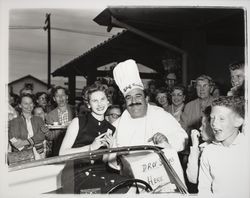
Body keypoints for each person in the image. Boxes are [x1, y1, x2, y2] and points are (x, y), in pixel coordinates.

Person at [108, 60, 188, 163]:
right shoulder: (118, 124)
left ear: (146, 99)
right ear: (125, 102)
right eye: (129, 98)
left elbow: (183, 139)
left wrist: (167, 141)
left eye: (138, 96)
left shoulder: (160, 115)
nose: (133, 101)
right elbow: (109, 157)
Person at [198, 96, 248, 197]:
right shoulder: (209, 151)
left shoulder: (246, 148)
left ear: (238, 121)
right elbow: (204, 190)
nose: (214, 124)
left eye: (221, 119)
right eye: (212, 118)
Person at [59, 83, 115, 156]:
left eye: (102, 99)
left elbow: (105, 160)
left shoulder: (111, 128)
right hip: (78, 167)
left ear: (108, 101)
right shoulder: (77, 122)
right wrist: (90, 147)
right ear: (88, 104)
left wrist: (110, 149)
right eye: (95, 101)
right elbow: (62, 153)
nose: (100, 104)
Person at [8, 93, 46, 159]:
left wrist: (24, 142)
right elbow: (13, 140)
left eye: (31, 103)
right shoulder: (14, 121)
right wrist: (28, 150)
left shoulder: (39, 120)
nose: (29, 106)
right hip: (21, 156)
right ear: (20, 105)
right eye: (25, 103)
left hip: (40, 154)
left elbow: (41, 136)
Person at [186, 106, 214, 192]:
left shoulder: (212, 150)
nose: (200, 128)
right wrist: (195, 145)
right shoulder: (204, 146)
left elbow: (193, 178)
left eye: (204, 125)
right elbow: (191, 177)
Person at [45, 86, 76, 156]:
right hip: (58, 148)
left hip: (74, 147)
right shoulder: (50, 115)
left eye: (63, 95)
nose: (61, 98)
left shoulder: (75, 111)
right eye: (57, 96)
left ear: (67, 97)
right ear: (54, 99)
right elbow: (50, 137)